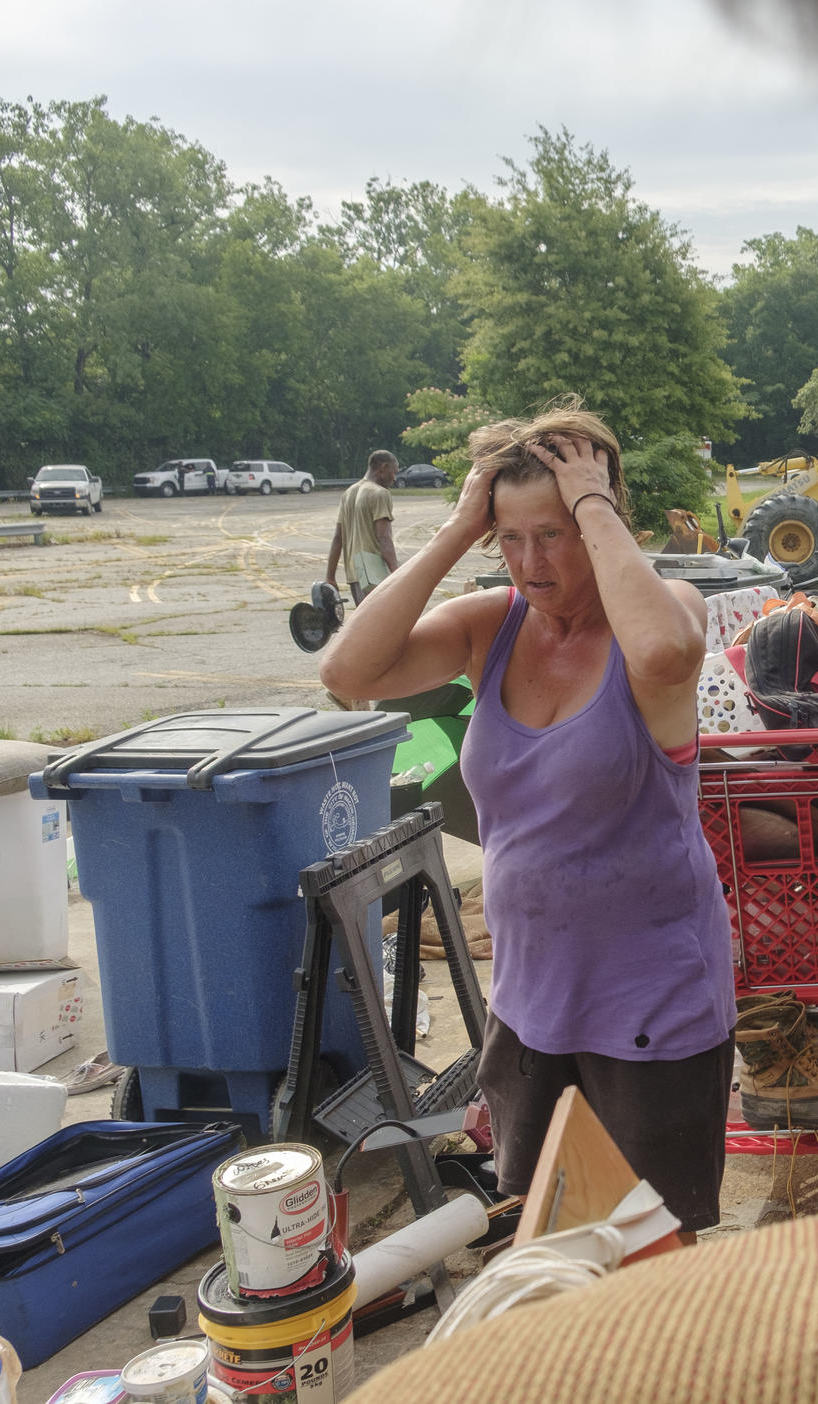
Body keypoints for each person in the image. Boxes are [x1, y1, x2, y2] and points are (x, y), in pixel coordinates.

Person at [317, 399, 736, 1237]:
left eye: (553, 533)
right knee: (543, 1231)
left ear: (601, 518)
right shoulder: (492, 628)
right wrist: (456, 529)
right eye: (510, 538)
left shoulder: (664, 612)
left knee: (648, 1248)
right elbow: (347, 671)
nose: (530, 561)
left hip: (651, 1004)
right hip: (529, 997)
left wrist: (595, 502)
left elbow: (662, 655)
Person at [326, 450, 401, 603]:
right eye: (394, 472)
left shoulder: (348, 493)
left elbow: (338, 538)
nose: (394, 478)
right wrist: (397, 574)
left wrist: (330, 576)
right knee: (383, 624)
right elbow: (384, 538)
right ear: (383, 467)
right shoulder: (380, 493)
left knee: (367, 623)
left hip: (355, 573)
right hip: (374, 573)